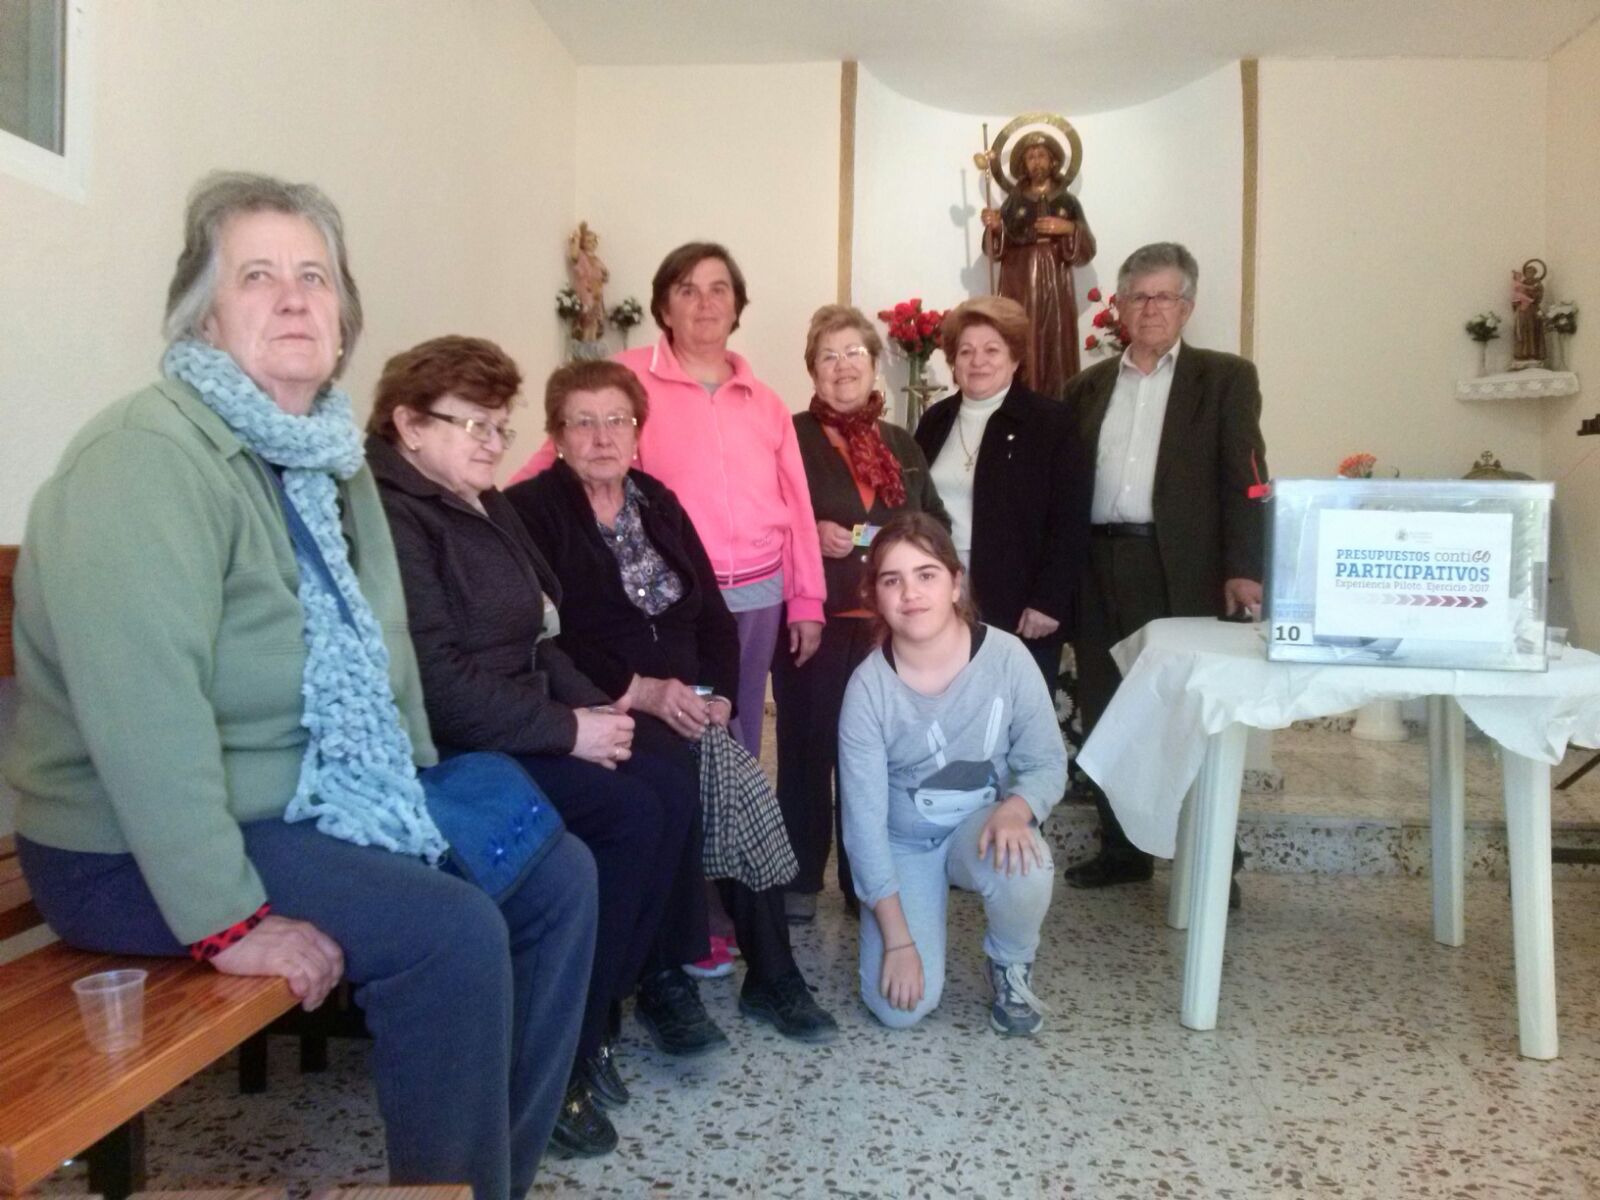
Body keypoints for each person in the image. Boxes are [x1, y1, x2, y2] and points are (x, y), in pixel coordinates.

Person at [1, 173, 595, 1200]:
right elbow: (147, 722)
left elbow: (386, 655)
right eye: (257, 275)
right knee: (450, 935)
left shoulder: (328, 458)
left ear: (344, 314)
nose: (292, 298)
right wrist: (226, 920)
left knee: (556, 878)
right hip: (137, 845)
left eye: (313, 276)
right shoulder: (144, 460)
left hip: (312, 801)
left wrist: (416, 803)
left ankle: (488, 1183)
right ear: (202, 311)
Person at [366, 336, 734, 1159]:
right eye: (475, 424)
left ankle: (594, 1016)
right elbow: (438, 682)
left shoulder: (478, 498)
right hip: (452, 751)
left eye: (500, 425)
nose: (492, 441)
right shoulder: (394, 515)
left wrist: (603, 710)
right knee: (629, 812)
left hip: (520, 716)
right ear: (409, 426)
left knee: (664, 784)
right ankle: (559, 1053)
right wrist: (576, 728)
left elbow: (545, 637)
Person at [504, 359, 839, 1043]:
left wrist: (713, 694)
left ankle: (766, 975)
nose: (602, 437)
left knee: (738, 778)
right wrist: (640, 692)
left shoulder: (657, 500)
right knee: (692, 781)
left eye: (617, 421)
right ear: (558, 436)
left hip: (682, 699)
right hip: (596, 705)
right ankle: (668, 978)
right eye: (583, 422)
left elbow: (710, 612)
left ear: (637, 432)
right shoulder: (530, 513)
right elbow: (547, 634)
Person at [510, 241, 826, 761]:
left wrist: (807, 598)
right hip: (674, 596)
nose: (705, 303)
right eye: (688, 290)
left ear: (736, 306)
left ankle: (734, 814)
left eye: (718, 290)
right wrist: (485, 511)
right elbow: (559, 451)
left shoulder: (764, 400)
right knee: (668, 730)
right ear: (664, 307)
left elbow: (797, 502)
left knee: (735, 719)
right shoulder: (628, 376)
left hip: (758, 590)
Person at [1061, 242, 1269, 900]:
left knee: (1187, 715)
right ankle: (1123, 848)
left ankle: (1217, 860)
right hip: (1095, 563)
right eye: (1139, 296)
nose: (1151, 308)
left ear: (1187, 307)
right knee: (1104, 708)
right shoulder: (1086, 386)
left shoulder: (1225, 378)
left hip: (1176, 567)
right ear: (1119, 306)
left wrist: (1244, 568)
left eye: (1165, 297)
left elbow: (1248, 479)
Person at [838, 513, 1066, 1035]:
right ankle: (908, 922)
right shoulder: (867, 689)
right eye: (891, 580)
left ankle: (1010, 962)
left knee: (1026, 858)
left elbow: (1046, 762)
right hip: (904, 842)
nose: (910, 593)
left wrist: (1016, 808)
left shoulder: (1008, 657)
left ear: (955, 582)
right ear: (875, 594)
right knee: (901, 1011)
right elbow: (863, 828)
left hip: (981, 829)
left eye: (926, 575)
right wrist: (898, 941)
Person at [772, 304, 950, 924]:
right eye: (828, 355)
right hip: (812, 619)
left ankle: (862, 878)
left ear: (875, 365)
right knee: (806, 747)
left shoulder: (901, 442)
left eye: (854, 353)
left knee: (873, 756)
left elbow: (934, 523)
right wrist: (809, 529)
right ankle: (797, 876)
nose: (842, 366)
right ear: (812, 370)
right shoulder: (788, 435)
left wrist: (903, 539)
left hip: (887, 627)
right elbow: (766, 514)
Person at [914, 295, 1090, 697]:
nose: (978, 361)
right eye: (966, 351)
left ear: (1014, 359)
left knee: (1013, 711)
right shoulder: (935, 420)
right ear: (953, 362)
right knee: (946, 701)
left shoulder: (1051, 422)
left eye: (992, 350)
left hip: (1019, 601)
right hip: (940, 596)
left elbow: (1070, 520)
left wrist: (1049, 599)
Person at [980, 131, 1096, 398]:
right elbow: (996, 250)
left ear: (1053, 161)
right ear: (1024, 164)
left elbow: (1087, 249)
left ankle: (1057, 401)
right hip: (1018, 278)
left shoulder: (1067, 201)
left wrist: (1069, 228)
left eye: (1041, 155)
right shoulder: (1015, 201)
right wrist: (996, 228)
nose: (1036, 162)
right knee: (1022, 338)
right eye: (1030, 157)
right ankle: (1021, 398)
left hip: (1055, 281)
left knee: (1055, 338)